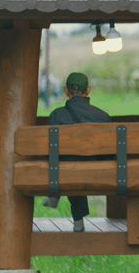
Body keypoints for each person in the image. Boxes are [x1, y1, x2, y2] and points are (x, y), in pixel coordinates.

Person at [41, 72, 111, 232]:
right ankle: (74, 216)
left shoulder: (56, 115)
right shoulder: (103, 116)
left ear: (66, 91)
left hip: (63, 172)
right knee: (80, 167)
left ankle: (61, 202)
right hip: (97, 172)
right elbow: (108, 153)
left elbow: (47, 152)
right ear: (89, 90)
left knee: (70, 166)